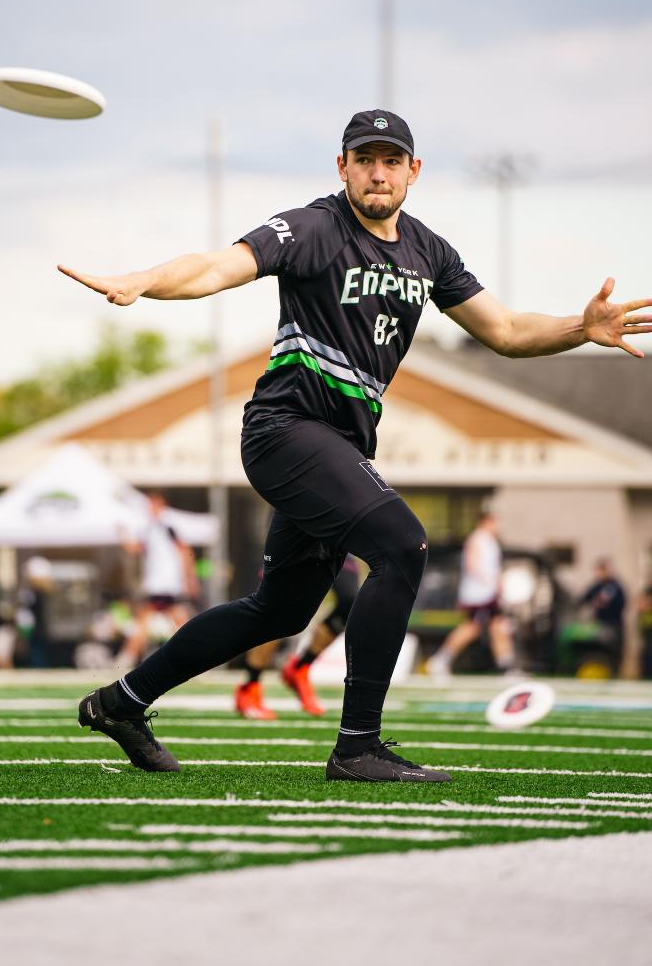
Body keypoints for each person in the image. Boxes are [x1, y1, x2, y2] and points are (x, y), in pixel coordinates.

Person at [62, 107, 652, 784]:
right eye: (364, 159)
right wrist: (142, 282)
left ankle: (121, 702)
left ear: (413, 171)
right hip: (284, 432)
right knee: (403, 546)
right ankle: (357, 747)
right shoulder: (314, 228)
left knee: (282, 610)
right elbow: (218, 267)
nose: (378, 173)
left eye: (391, 160)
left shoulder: (429, 252)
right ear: (342, 167)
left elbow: (509, 332)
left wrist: (580, 327)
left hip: (339, 446)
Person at [235, 555, 361, 719]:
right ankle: (250, 685)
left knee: (350, 600)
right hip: (295, 545)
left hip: (334, 545)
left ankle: (300, 668)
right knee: (276, 605)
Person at [115, 492, 199, 672]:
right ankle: (193, 655)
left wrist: (189, 579)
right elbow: (134, 548)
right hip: (159, 583)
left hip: (165, 582)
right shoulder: (149, 528)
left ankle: (127, 658)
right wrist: (122, 533)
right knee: (172, 619)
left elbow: (185, 552)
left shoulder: (166, 526)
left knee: (149, 619)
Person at [427, 513, 516, 677]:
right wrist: (492, 582)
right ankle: (440, 659)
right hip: (479, 595)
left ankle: (507, 666)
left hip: (489, 594)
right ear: (485, 522)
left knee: (499, 626)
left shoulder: (490, 541)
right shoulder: (477, 539)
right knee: (472, 628)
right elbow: (472, 565)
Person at [579, 557, 626, 668]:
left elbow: (622, 603)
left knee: (614, 650)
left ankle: (615, 670)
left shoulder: (616, 586)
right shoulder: (596, 586)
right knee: (599, 651)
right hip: (600, 624)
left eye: (603, 570)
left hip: (614, 624)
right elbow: (584, 599)